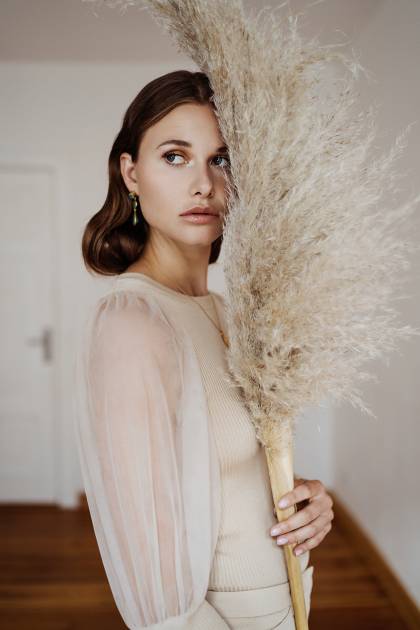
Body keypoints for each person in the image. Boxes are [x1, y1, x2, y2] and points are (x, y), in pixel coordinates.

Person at [74, 69, 334, 630]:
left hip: (288, 599)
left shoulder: (230, 313)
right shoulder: (134, 323)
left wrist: (304, 500)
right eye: (175, 156)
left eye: (222, 159)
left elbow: (226, 470)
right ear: (131, 173)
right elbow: (154, 584)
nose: (203, 185)